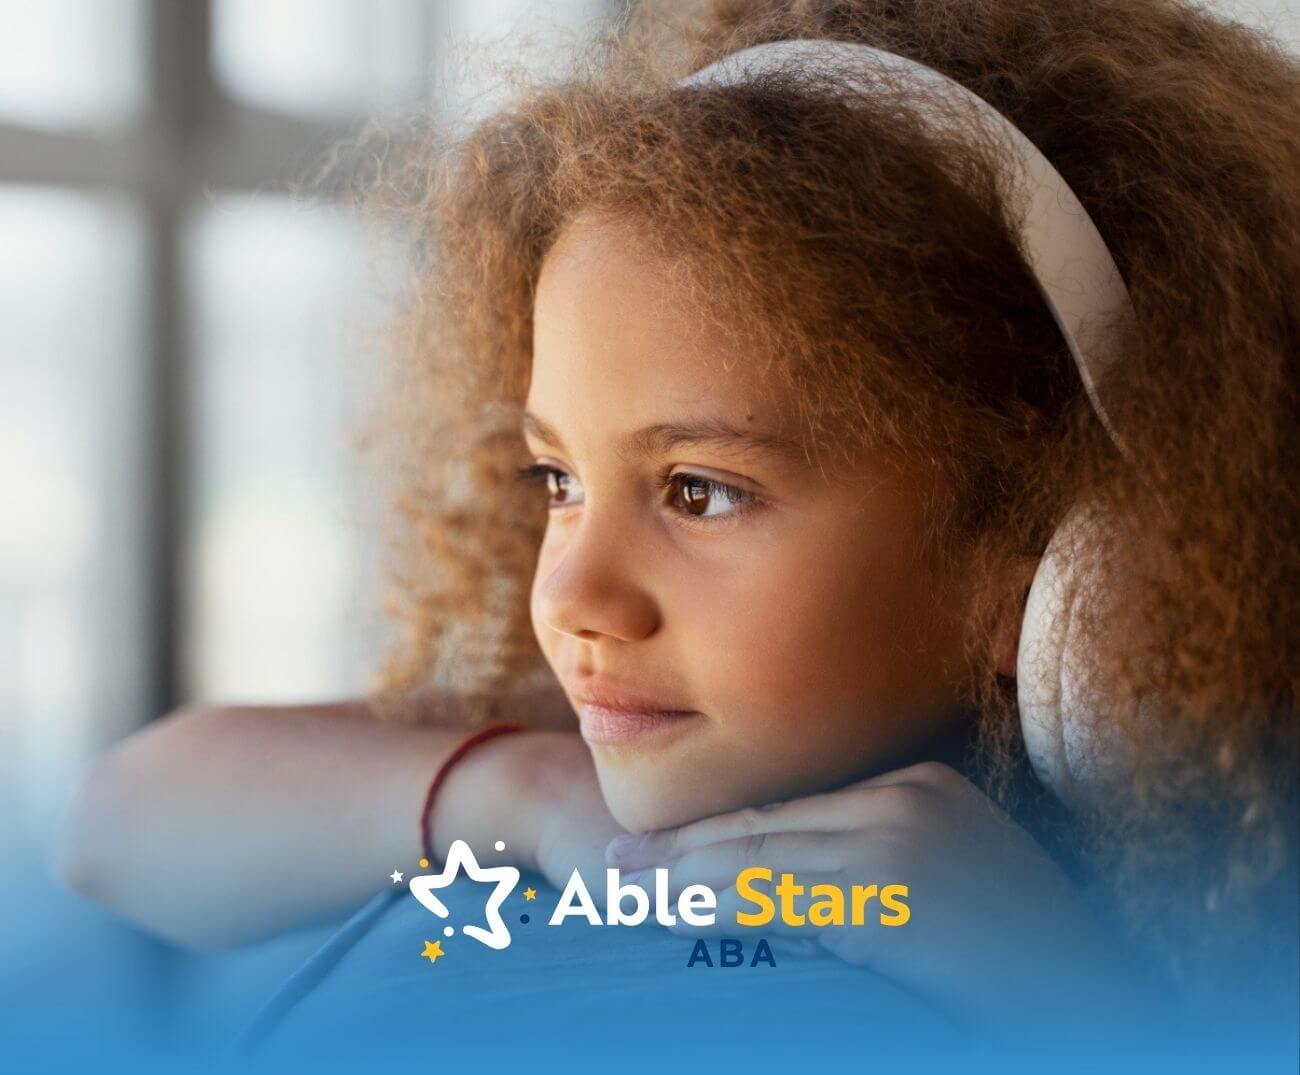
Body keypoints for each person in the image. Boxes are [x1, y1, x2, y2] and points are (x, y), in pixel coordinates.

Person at [54, 0, 1298, 1055]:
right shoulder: (632, 741)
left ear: (1059, 565)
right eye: (558, 481)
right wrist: (529, 799)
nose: (576, 596)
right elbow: (120, 824)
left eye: (700, 490)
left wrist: (1072, 1002)